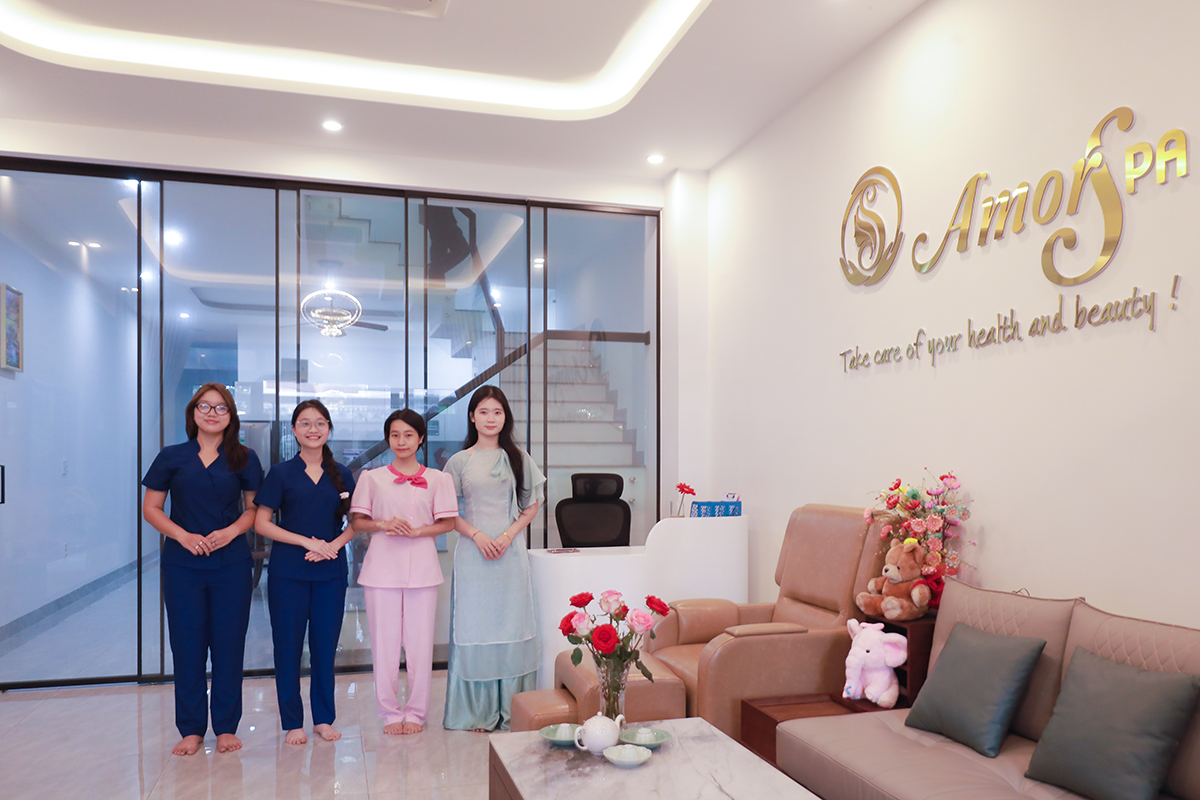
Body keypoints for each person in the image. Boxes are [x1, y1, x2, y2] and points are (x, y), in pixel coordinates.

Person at [142, 382, 263, 756]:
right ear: (193, 412)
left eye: (221, 407)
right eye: (204, 406)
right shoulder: (171, 456)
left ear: (231, 416)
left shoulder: (245, 457)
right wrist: (182, 536)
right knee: (187, 644)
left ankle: (225, 726)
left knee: (229, 644)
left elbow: (254, 510)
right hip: (183, 565)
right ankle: (191, 728)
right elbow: (151, 509)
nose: (212, 413)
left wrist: (230, 532)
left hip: (231, 563)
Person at [252, 400, 356, 745]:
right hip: (288, 573)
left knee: (325, 648)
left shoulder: (342, 473)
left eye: (320, 423)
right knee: (288, 648)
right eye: (305, 423)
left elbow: (357, 522)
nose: (314, 429)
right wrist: (305, 542)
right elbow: (261, 523)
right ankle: (293, 722)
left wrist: (332, 546)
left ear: (328, 429)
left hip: (330, 573)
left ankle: (323, 719)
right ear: (294, 430)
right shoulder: (281, 473)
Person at [443, 385, 545, 732]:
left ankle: (512, 710)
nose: (491, 418)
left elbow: (532, 505)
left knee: (512, 623)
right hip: (473, 557)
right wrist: (477, 535)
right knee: (475, 625)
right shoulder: (459, 461)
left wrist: (506, 536)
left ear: (505, 417)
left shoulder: (519, 457)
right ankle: (477, 711)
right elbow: (447, 513)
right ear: (472, 417)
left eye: (497, 412)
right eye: (484, 412)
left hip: (510, 555)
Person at [349, 409, 457, 735]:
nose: (401, 441)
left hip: (423, 569)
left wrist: (418, 531)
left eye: (409, 435)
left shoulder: (439, 479)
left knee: (421, 645)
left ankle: (416, 712)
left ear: (421, 438)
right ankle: (389, 713)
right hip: (380, 570)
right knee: (384, 645)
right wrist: (383, 524)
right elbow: (358, 521)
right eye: (395, 435)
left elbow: (448, 522)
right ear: (388, 439)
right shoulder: (372, 478)